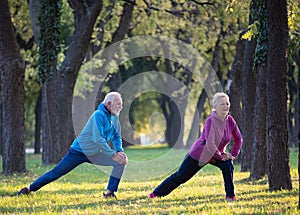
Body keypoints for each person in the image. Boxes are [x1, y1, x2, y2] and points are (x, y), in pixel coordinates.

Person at [15, 92, 128, 198]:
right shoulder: (98, 115)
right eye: (118, 104)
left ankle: (109, 193)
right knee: (56, 172)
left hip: (94, 154)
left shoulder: (115, 118)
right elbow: (97, 139)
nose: (120, 107)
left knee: (121, 162)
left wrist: (119, 151)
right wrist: (112, 155)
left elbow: (116, 136)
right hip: (78, 152)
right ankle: (29, 189)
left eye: (121, 104)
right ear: (108, 104)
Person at [148, 92, 242, 201]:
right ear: (215, 107)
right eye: (222, 104)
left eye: (227, 103)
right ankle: (155, 193)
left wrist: (233, 155)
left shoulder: (230, 120)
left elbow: (238, 138)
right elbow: (210, 143)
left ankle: (230, 196)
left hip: (216, 154)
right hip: (200, 154)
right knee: (180, 177)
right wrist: (221, 156)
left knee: (228, 165)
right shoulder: (210, 121)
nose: (225, 106)